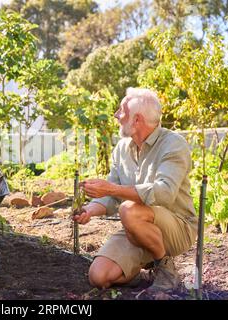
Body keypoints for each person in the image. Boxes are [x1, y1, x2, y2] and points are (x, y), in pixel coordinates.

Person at [74, 87, 198, 294]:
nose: (116, 115)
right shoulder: (122, 149)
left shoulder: (173, 144)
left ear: (137, 119)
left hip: (177, 227)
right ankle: (140, 270)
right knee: (99, 277)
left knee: (129, 209)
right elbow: (112, 196)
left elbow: (164, 193)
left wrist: (112, 188)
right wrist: (89, 210)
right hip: (136, 228)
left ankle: (165, 267)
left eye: (121, 111)